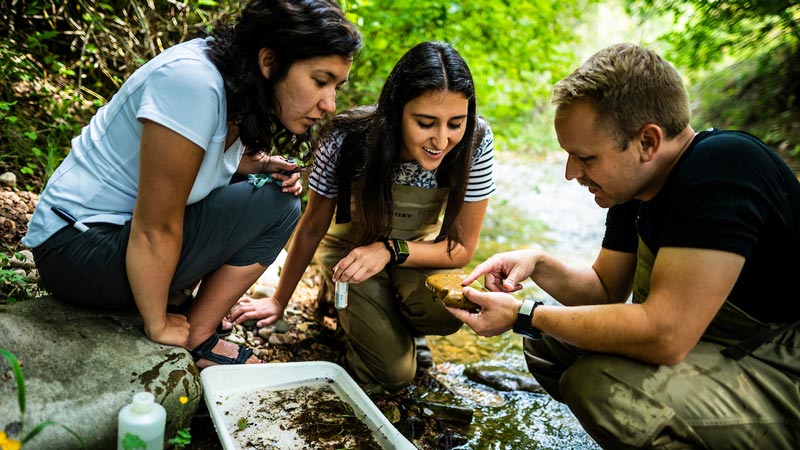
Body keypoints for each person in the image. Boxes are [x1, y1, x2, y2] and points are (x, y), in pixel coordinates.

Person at [448, 43, 800, 449]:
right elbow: (604, 288)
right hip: (721, 344)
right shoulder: (636, 187)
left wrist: (524, 314)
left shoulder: (725, 168)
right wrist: (538, 264)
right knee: (550, 344)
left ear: (647, 142)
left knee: (599, 385)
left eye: (586, 157)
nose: (570, 173)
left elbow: (666, 335)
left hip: (783, 368)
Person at [22, 0, 362, 369]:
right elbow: (156, 225)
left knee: (276, 195)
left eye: (336, 88)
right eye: (319, 81)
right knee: (276, 207)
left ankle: (192, 320)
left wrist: (255, 164)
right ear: (269, 61)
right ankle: (195, 337)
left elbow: (194, 162)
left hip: (104, 241)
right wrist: (157, 324)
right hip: (77, 248)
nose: (329, 103)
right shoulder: (193, 83)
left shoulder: (233, 84)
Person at [226, 41, 496, 390]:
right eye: (426, 123)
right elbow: (311, 228)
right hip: (349, 255)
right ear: (396, 110)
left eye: (455, 124)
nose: (441, 140)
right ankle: (349, 309)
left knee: (445, 312)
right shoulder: (347, 138)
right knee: (394, 376)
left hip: (409, 254)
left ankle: (398, 324)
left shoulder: (477, 140)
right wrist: (279, 300)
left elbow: (460, 248)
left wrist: (388, 250)